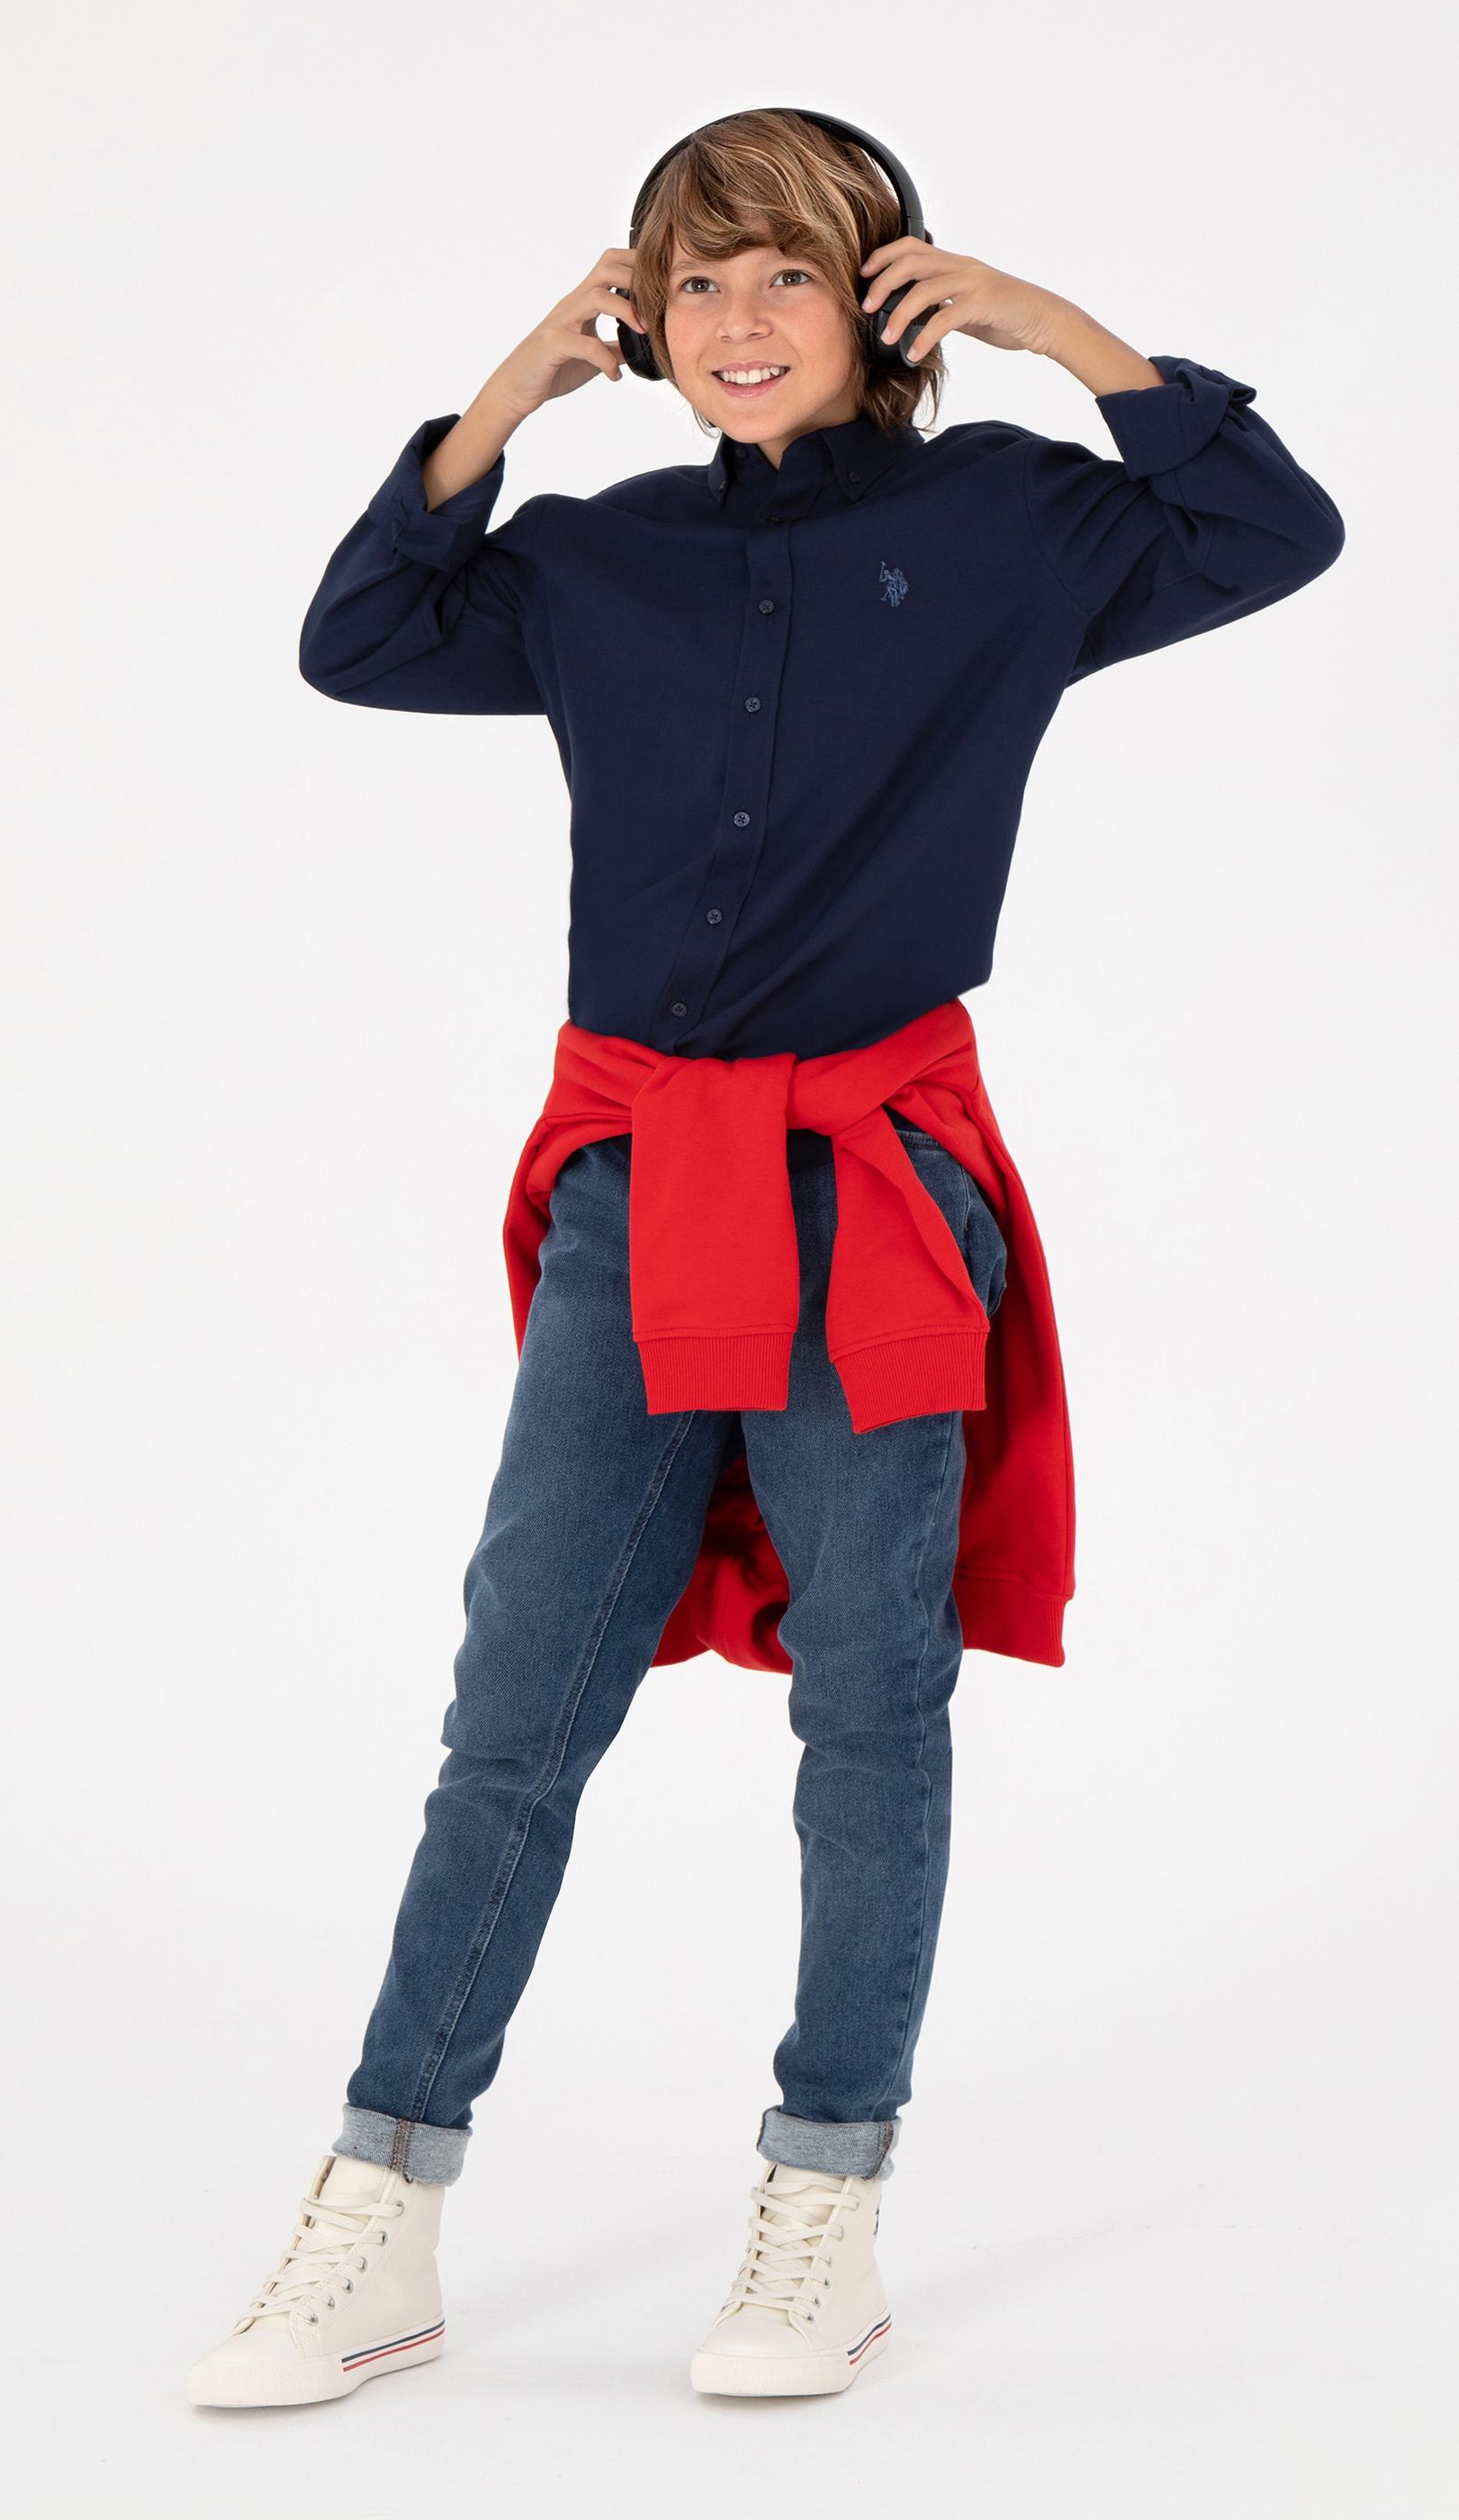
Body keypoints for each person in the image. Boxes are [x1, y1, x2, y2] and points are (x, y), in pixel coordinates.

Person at [187, 107, 1344, 2410]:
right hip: (639, 1187)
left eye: (788, 273)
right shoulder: (591, 556)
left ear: (881, 296)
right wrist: (510, 393)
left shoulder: (1011, 524)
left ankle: (825, 2197)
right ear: (645, 313)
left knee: (868, 1700)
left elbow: (1268, 525)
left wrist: (1049, 329)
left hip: (873, 1185)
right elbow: (360, 636)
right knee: (516, 1701)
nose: (736, 319)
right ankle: (381, 2204)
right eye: (691, 279)